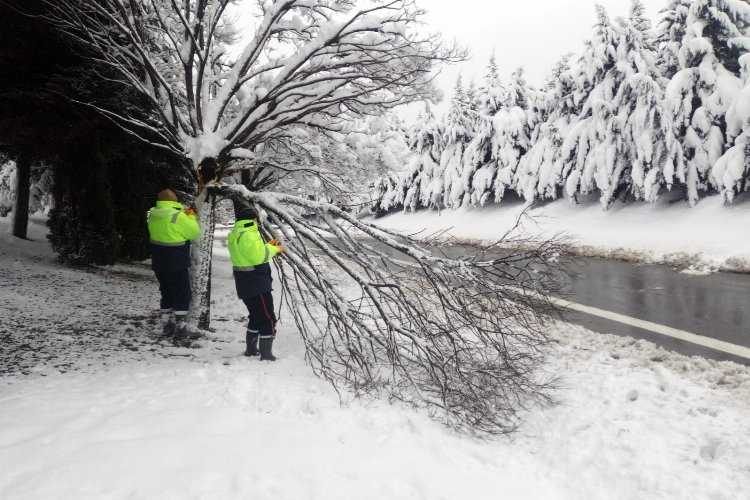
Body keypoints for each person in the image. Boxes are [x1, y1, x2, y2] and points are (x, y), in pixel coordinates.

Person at [227, 205, 283, 361]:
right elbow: (259, 257)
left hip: (245, 283)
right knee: (267, 318)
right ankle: (266, 355)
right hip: (257, 283)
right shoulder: (249, 234)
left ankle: (251, 350)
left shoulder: (236, 233)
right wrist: (275, 249)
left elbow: (251, 253)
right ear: (254, 219)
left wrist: (268, 246)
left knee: (255, 316)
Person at [146, 188, 201, 344]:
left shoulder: (151, 214)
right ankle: (181, 326)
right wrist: (190, 216)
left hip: (158, 261)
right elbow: (195, 232)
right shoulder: (179, 216)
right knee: (182, 292)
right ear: (174, 200)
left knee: (166, 290)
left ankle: (165, 323)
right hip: (176, 261)